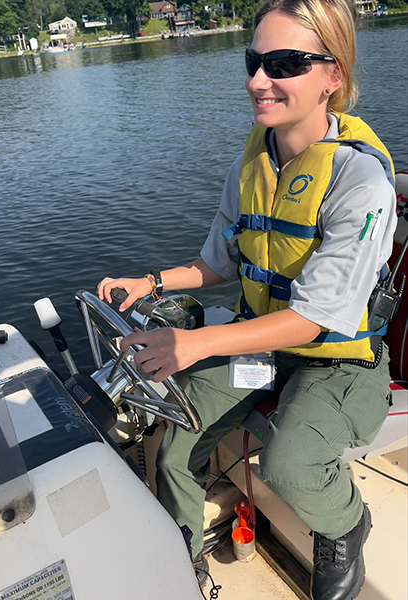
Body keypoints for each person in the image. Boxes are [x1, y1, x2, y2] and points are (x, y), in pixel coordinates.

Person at [98, 0, 397, 597]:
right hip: (265, 354)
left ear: (332, 75)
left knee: (289, 465)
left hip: (340, 361)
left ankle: (346, 523)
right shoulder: (252, 164)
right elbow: (216, 262)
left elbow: (314, 320)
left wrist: (193, 342)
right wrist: (150, 282)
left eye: (284, 63)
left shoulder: (360, 181)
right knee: (178, 438)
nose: (257, 80)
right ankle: (181, 563)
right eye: (254, 60)